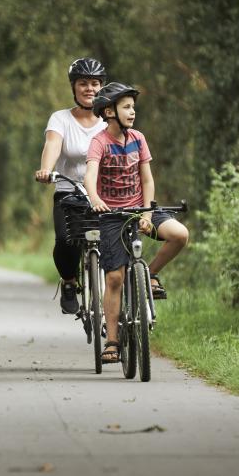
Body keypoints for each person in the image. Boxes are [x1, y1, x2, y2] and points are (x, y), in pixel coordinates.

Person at [84, 82, 190, 364]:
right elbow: (89, 176)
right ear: (109, 111)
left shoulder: (139, 138)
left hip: (141, 209)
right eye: (126, 107)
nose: (133, 111)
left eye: (133, 107)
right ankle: (113, 340)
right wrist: (95, 198)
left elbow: (147, 179)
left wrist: (146, 215)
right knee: (115, 277)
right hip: (112, 215)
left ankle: (149, 275)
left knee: (179, 234)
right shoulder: (100, 142)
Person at [34, 57, 107, 315]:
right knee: (66, 241)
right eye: (83, 83)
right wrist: (46, 169)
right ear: (74, 87)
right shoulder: (61, 118)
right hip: (69, 192)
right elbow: (53, 145)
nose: (90, 89)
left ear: (102, 87)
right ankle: (69, 281)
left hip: (103, 195)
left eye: (95, 83)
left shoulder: (110, 120)